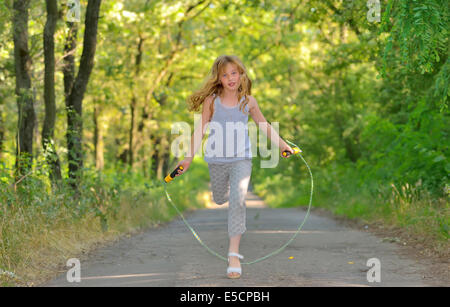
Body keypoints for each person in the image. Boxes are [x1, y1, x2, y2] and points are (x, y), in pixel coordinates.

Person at [174, 55, 294, 279]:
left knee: (238, 200)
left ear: (241, 75)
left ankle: (233, 254)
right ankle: (227, 197)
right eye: (225, 74)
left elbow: (265, 125)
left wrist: (283, 146)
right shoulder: (212, 101)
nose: (230, 78)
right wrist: (187, 158)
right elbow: (200, 130)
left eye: (234, 73)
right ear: (218, 78)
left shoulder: (249, 102)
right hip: (217, 159)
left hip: (242, 159)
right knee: (220, 199)